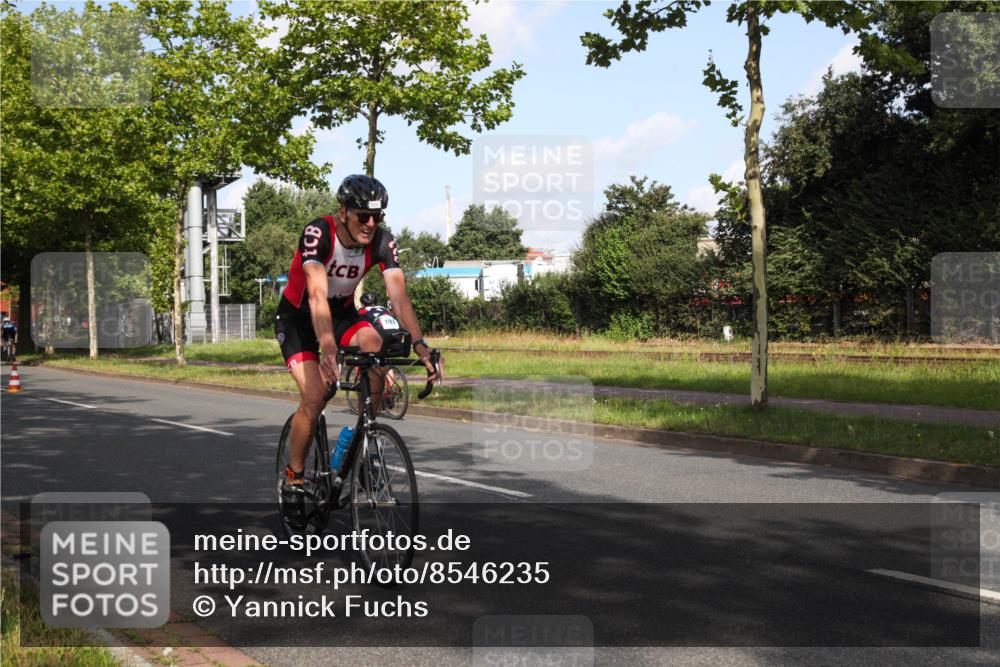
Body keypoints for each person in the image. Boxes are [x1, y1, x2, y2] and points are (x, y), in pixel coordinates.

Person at [275, 174, 439, 529]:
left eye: (377, 217)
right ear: (343, 211)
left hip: (341, 313)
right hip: (299, 319)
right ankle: (294, 480)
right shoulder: (319, 233)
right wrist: (328, 350)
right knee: (315, 397)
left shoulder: (381, 241)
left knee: (374, 346)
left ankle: (361, 440)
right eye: (362, 215)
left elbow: (398, 297)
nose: (370, 224)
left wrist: (422, 346)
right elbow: (316, 295)